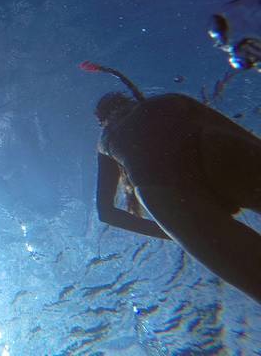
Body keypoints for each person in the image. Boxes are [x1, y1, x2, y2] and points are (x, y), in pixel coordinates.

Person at [86, 62, 261, 305]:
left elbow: (106, 213)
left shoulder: (105, 140)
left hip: (166, 196)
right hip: (213, 145)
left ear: (102, 121)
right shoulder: (171, 100)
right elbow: (240, 136)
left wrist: (170, 234)